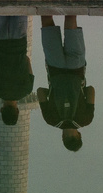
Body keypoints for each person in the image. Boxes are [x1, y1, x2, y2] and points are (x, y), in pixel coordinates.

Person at [37, 16, 93, 150]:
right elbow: (40, 91)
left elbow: (91, 90)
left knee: (71, 24)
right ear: (63, 138)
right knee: (47, 23)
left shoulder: (86, 119)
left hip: (76, 69)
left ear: (79, 136)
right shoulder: (51, 120)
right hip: (55, 68)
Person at [0, 16, 34, 125]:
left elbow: (26, 60)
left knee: (18, 5)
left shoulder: (27, 89)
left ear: (17, 111)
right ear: (1, 110)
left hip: (18, 41)